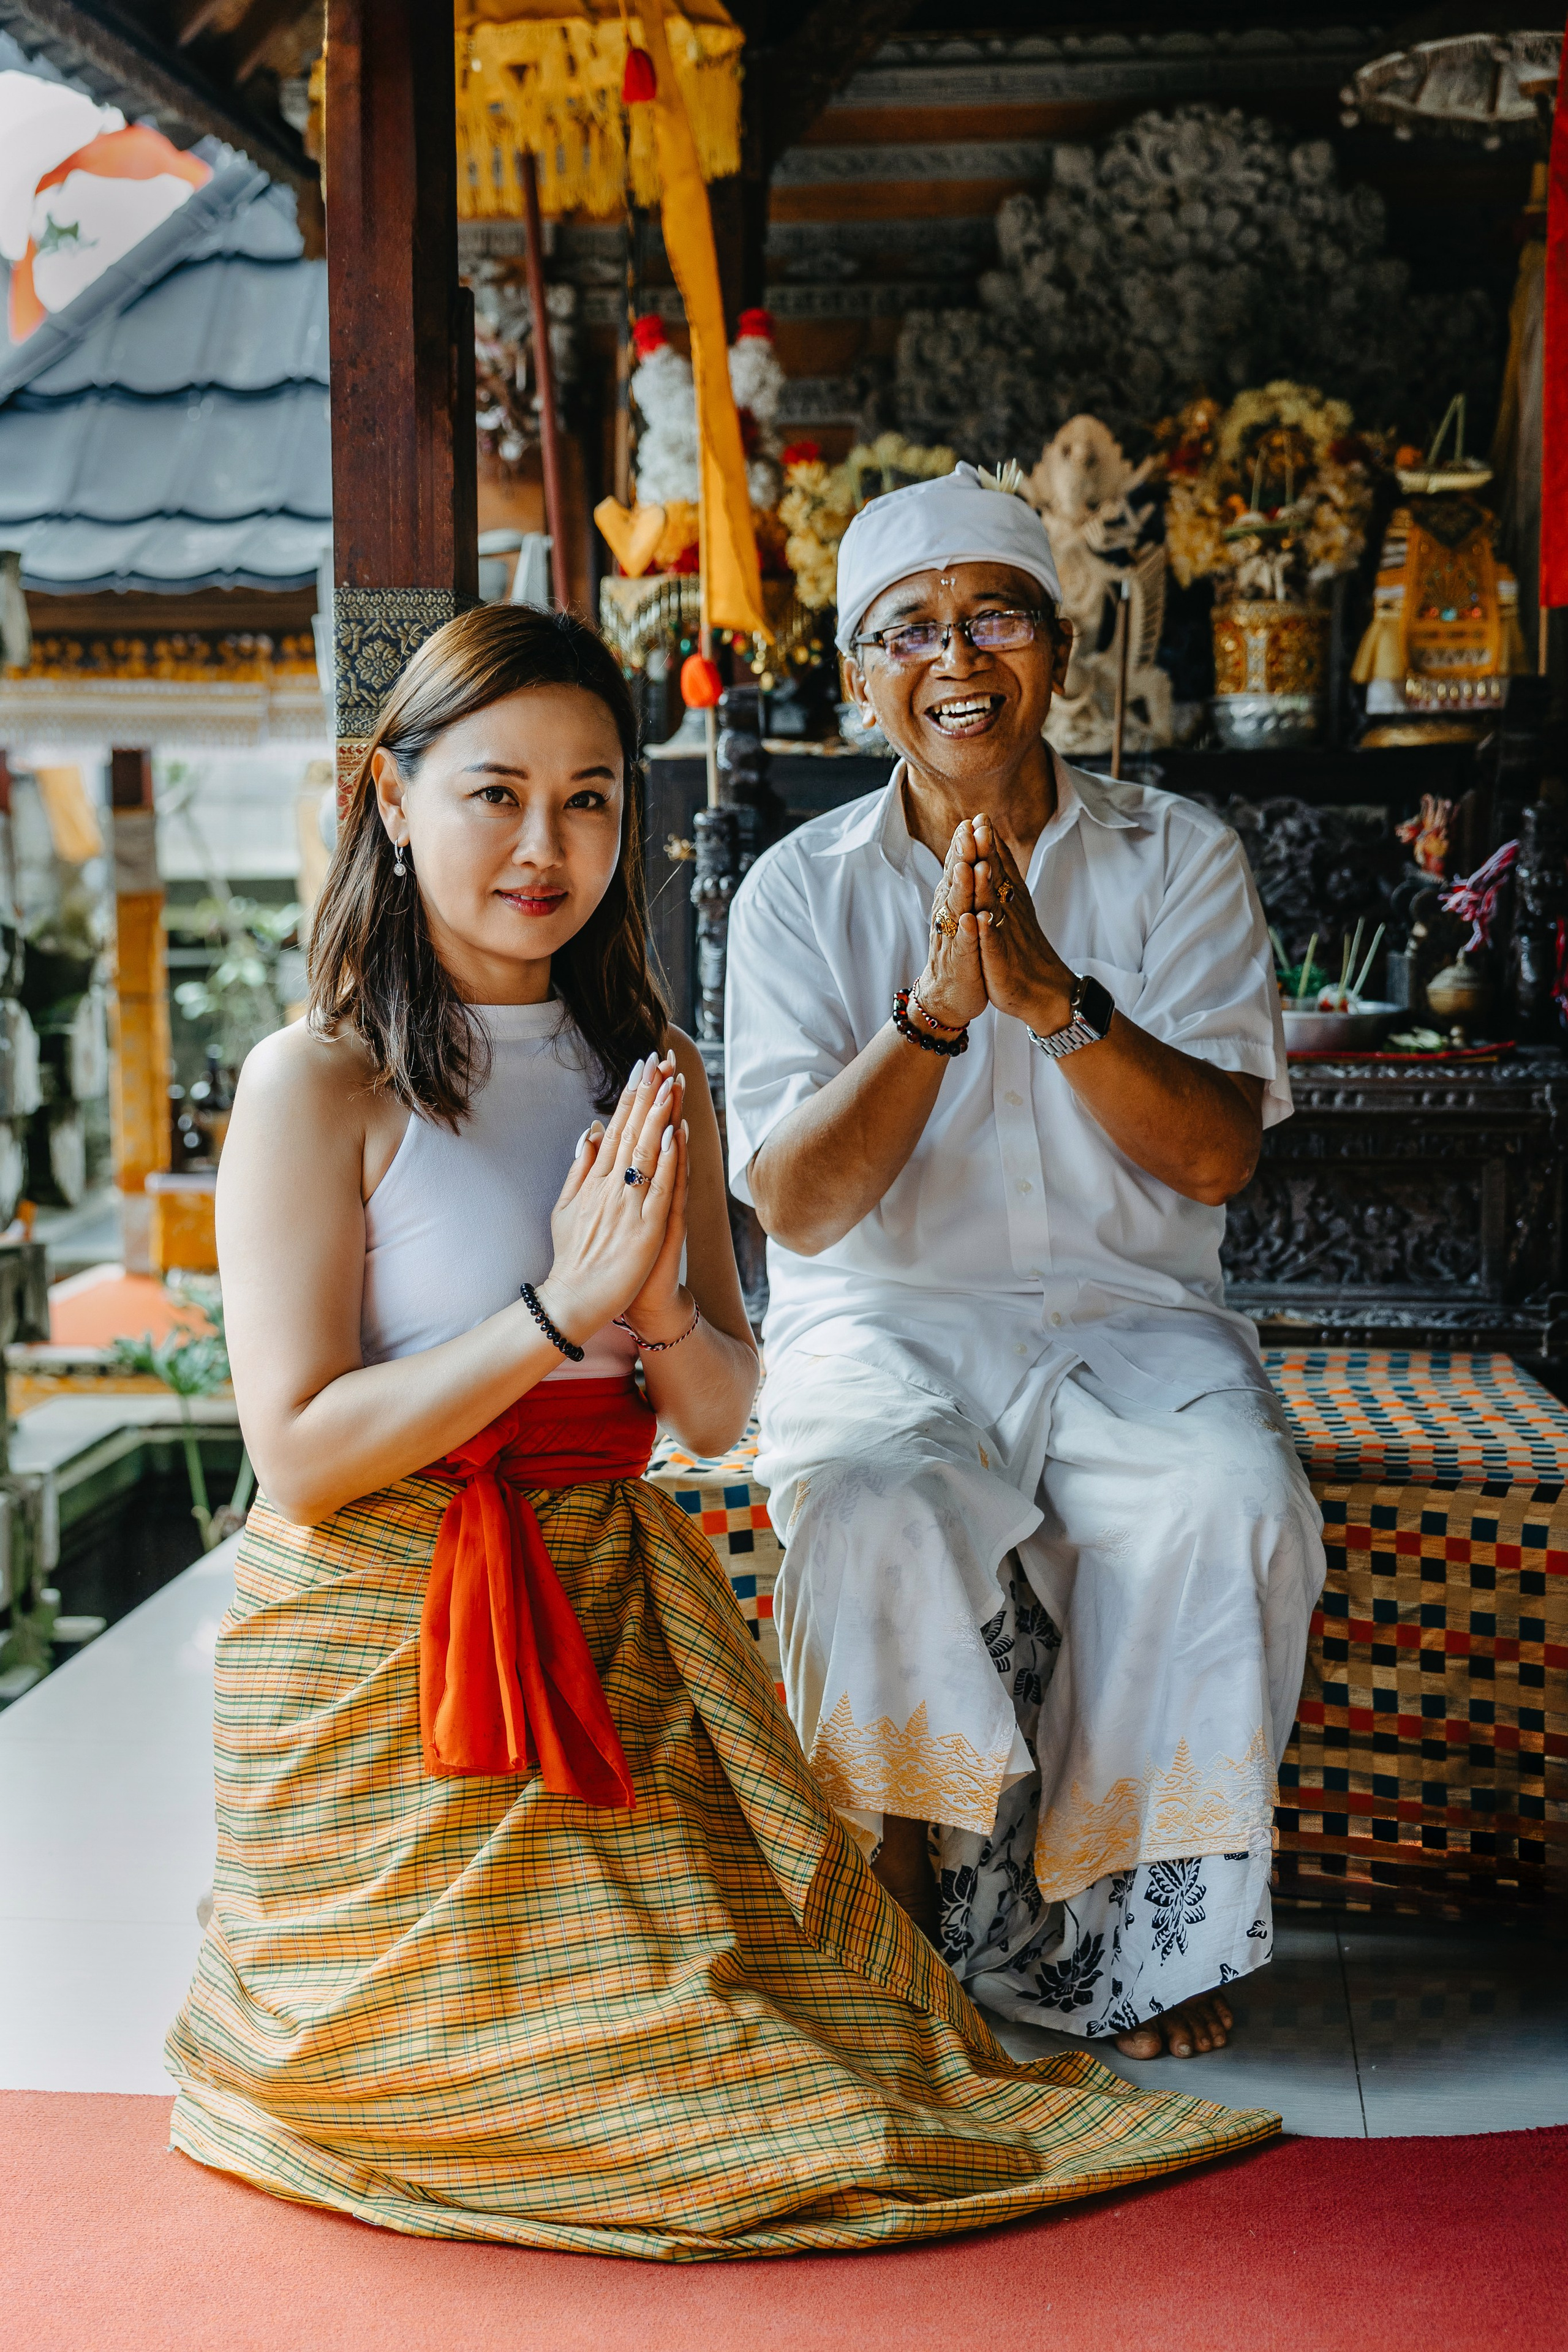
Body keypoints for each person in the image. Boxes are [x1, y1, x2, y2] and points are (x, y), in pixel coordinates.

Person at [164, 604, 1276, 2258]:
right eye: (497, 795)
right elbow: (304, 1453)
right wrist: (553, 1312)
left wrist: (656, 1311)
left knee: (764, 2060)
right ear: (389, 802)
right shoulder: (314, 1083)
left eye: (594, 797)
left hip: (612, 1600)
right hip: (381, 1638)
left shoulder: (645, 1060)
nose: (549, 846)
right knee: (533, 2092)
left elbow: (711, 1410)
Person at [725, 464, 1326, 2064]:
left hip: (1138, 1326)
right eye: (910, 630)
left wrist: (1053, 996)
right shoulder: (801, 893)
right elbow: (792, 1204)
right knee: (868, 1500)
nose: (956, 657)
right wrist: (933, 1012)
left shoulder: (1175, 859)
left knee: (1230, 1502)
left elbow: (1217, 1156)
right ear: (862, 680)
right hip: (889, 1324)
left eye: (993, 614)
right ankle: (894, 1906)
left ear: (1055, 648)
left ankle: (1143, 1937)